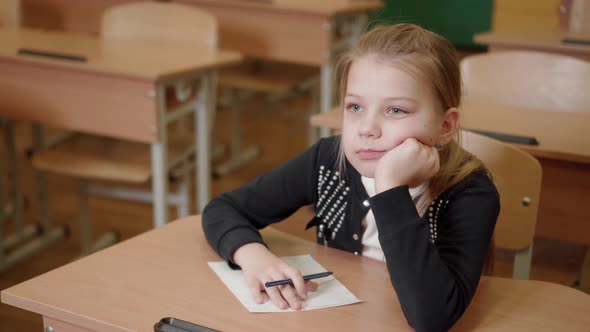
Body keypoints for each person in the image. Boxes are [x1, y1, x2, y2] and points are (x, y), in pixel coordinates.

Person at [203, 23, 499, 331]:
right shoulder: (329, 160)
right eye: (355, 106)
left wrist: (389, 189)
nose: (366, 128)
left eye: (396, 110)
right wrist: (254, 257)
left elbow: (431, 318)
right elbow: (223, 208)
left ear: (446, 126)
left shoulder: (470, 194)